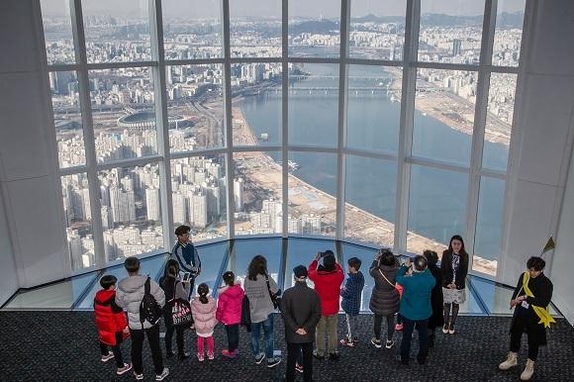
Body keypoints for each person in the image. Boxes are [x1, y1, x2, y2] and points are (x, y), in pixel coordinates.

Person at [499, 256, 555, 381]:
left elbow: (543, 302)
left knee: (533, 340)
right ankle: (512, 359)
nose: (531, 273)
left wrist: (525, 298)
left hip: (535, 316)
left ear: (541, 269)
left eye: (535, 270)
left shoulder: (546, 283)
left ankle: (530, 366)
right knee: (515, 335)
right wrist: (514, 299)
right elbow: (518, 289)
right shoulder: (524, 276)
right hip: (521, 313)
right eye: (530, 269)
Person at [115, 256, 169, 381]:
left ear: (126, 269)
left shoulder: (121, 286)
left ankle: (138, 372)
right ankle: (159, 372)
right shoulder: (149, 282)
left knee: (136, 347)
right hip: (151, 321)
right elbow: (162, 299)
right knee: (155, 346)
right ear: (139, 267)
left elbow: (120, 304)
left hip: (134, 323)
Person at [281, 265, 322, 382]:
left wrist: (295, 329)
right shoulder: (314, 294)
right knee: (308, 359)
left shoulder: (287, 293)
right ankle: (308, 379)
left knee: (291, 358)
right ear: (307, 277)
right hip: (307, 335)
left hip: (292, 335)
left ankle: (290, 379)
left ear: (295, 277)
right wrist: (306, 328)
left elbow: (285, 314)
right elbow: (317, 314)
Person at [396, 255, 436, 366]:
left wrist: (405, 266)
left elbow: (398, 277)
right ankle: (422, 359)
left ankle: (404, 360)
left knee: (406, 337)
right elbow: (427, 273)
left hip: (408, 313)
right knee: (423, 337)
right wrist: (424, 266)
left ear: (413, 266)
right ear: (426, 267)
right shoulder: (431, 280)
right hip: (424, 313)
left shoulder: (408, 280)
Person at [244, 255, 282, 368]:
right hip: (267, 312)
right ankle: (270, 359)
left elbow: (246, 292)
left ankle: (257, 356)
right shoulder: (266, 278)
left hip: (254, 312)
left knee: (254, 336)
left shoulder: (247, 279)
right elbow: (278, 292)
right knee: (269, 335)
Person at [308, 250, 344, 360]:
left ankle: (320, 352)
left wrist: (316, 260)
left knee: (320, 331)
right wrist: (331, 257)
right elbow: (340, 269)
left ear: (323, 264)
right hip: (333, 308)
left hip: (320, 309)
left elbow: (309, 271)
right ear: (333, 264)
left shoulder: (317, 276)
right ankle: (333, 351)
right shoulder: (339, 275)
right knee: (332, 331)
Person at [94, 274, 132, 376]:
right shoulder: (114, 297)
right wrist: (124, 327)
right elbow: (119, 315)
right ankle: (121, 367)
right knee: (115, 345)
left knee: (103, 338)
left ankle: (105, 354)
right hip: (113, 326)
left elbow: (96, 308)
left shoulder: (98, 295)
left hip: (102, 323)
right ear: (111, 286)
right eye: (114, 283)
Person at [159, 259, 191, 361]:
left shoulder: (161, 280)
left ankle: (168, 352)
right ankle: (181, 354)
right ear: (176, 270)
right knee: (179, 332)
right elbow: (185, 296)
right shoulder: (177, 283)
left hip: (166, 309)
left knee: (169, 331)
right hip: (176, 309)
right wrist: (187, 284)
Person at [369, 249, 400, 350]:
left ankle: (377, 341)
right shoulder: (397, 271)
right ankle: (389, 341)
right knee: (390, 321)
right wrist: (391, 257)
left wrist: (376, 259)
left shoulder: (377, 271)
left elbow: (371, 269)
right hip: (391, 299)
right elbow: (398, 265)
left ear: (381, 260)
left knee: (377, 321)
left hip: (378, 299)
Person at [440, 234, 469, 334]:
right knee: (447, 304)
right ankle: (446, 323)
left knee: (455, 305)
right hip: (447, 284)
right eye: (454, 243)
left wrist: (456, 284)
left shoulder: (465, 256)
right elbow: (443, 269)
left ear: (462, 245)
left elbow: (464, 272)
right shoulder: (446, 253)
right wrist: (447, 283)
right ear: (451, 244)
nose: (456, 246)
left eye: (458, 244)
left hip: (458, 285)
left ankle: (452, 324)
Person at [216, 271, 244, 358]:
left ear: (225, 281)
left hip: (228, 318)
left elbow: (221, 307)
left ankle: (231, 351)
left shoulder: (224, 293)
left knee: (230, 334)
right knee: (236, 332)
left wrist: (218, 316)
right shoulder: (239, 289)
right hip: (237, 316)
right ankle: (235, 348)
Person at [171, 225, 202, 298]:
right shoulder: (177, 250)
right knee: (185, 296)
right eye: (186, 235)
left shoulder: (190, 245)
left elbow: (196, 257)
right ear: (179, 236)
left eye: (188, 234)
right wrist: (195, 270)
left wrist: (197, 268)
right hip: (182, 276)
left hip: (191, 274)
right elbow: (182, 266)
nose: (188, 236)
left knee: (191, 295)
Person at [340, 257, 364, 347]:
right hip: (356, 303)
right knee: (355, 320)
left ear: (353, 267)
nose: (348, 268)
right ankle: (355, 337)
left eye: (349, 266)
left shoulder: (350, 281)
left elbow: (346, 294)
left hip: (349, 305)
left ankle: (350, 340)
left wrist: (340, 291)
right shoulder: (361, 276)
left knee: (349, 322)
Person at [191, 283, 218, 362]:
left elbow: (193, 315)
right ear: (207, 291)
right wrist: (213, 323)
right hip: (210, 325)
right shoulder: (212, 301)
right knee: (210, 338)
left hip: (199, 325)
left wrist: (195, 323)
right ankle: (210, 353)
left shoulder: (194, 303)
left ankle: (201, 354)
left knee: (200, 339)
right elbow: (215, 314)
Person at [423, 250, 444, 348]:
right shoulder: (439, 271)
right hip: (436, 300)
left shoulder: (422, 272)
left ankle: (425, 336)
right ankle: (431, 335)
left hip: (425, 300)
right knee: (433, 320)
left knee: (424, 319)